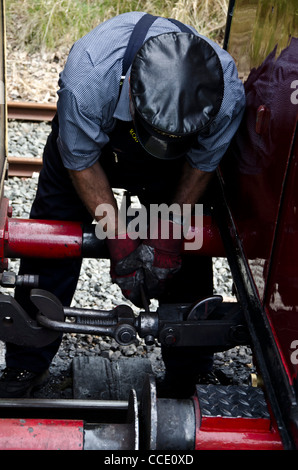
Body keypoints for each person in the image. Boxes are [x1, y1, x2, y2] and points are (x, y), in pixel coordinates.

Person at [0, 12, 245, 398]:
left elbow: (201, 165)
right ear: (131, 91)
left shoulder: (226, 90)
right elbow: (80, 162)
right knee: (51, 242)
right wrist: (117, 237)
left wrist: (167, 236)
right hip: (91, 150)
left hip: (174, 169)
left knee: (188, 252)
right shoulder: (89, 77)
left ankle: (191, 372)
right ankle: (24, 364)